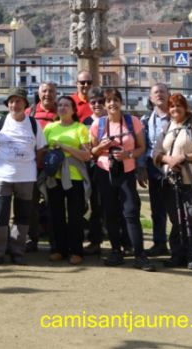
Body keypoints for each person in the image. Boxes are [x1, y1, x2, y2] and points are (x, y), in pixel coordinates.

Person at [89, 88, 155, 272]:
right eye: (108, 101)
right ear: (104, 104)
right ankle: (116, 251)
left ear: (121, 102)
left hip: (126, 172)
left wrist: (128, 154)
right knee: (110, 213)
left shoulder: (132, 122)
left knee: (131, 212)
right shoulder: (98, 125)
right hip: (105, 172)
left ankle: (139, 255)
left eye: (115, 100)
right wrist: (101, 146)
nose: (112, 104)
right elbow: (92, 152)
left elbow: (142, 147)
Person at [0, 87, 46, 267]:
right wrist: (2, 164)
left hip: (26, 177)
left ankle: (17, 251)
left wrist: (29, 164)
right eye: (11, 101)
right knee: (0, 215)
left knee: (23, 215)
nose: (14, 105)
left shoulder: (34, 124)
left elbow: (41, 150)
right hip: (3, 176)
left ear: (25, 104)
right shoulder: (0, 123)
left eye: (18, 101)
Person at [154, 93, 192, 271]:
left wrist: (183, 157)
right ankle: (177, 254)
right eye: (171, 106)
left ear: (185, 107)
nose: (175, 109)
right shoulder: (167, 128)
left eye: (178, 105)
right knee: (176, 219)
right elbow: (156, 152)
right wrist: (168, 160)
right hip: (172, 180)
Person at [42, 95, 91, 265]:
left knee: (75, 215)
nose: (62, 108)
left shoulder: (81, 128)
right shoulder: (49, 127)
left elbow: (86, 155)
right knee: (55, 214)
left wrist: (64, 147)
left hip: (74, 176)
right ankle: (58, 249)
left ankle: (76, 250)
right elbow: (42, 150)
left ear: (73, 110)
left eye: (66, 105)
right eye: (60, 105)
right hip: (54, 177)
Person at [25, 81, 58, 252]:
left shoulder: (61, 112)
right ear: (39, 93)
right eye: (44, 91)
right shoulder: (29, 112)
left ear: (56, 93)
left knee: (55, 206)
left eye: (51, 91)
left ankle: (56, 241)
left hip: (55, 169)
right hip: (32, 167)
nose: (47, 94)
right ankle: (32, 239)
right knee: (31, 206)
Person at [139, 83, 171, 257]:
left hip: (174, 167)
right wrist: (141, 167)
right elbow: (143, 146)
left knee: (176, 207)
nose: (159, 95)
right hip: (153, 167)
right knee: (157, 208)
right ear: (151, 98)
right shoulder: (145, 120)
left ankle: (181, 243)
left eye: (162, 92)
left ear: (169, 95)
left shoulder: (177, 118)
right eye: (155, 92)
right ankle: (160, 243)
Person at [84, 86, 108, 256]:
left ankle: (123, 242)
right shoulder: (85, 122)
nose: (97, 105)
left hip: (111, 167)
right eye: (93, 102)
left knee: (117, 206)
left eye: (101, 101)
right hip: (92, 168)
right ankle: (95, 241)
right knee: (96, 206)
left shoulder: (113, 119)